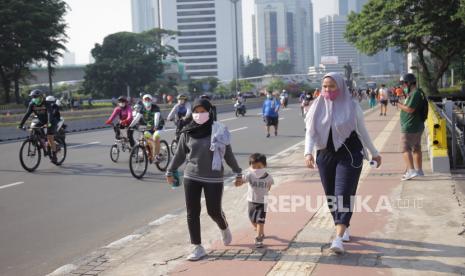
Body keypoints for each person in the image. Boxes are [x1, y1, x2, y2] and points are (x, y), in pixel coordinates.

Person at [304, 72, 382, 254]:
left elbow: (362, 132)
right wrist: (308, 153)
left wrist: (374, 153)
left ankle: (338, 238)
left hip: (350, 154)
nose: (327, 90)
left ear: (340, 87)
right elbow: (310, 132)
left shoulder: (352, 106)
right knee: (331, 195)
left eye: (332, 86)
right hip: (325, 155)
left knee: (343, 194)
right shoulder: (315, 106)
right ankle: (343, 225)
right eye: (324, 86)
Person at [165, 98, 242, 261]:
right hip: (191, 175)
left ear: (210, 112)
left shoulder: (219, 130)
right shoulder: (187, 131)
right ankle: (197, 247)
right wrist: (170, 170)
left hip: (213, 177)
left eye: (203, 111)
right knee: (192, 212)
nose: (199, 115)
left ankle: (224, 226)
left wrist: (238, 172)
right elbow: (179, 154)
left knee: (213, 211)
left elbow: (228, 154)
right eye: (196, 112)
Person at [235, 153, 273, 248]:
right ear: (250, 166)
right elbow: (241, 182)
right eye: (254, 167)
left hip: (263, 201)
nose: (257, 169)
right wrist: (237, 182)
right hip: (251, 200)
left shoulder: (268, 177)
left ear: (265, 166)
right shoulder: (250, 175)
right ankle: (260, 231)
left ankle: (259, 238)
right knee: (252, 219)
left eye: (259, 167)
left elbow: (269, 185)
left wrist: (266, 191)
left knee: (260, 220)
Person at [397, 73, 426, 180]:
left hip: (410, 126)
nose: (403, 86)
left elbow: (410, 109)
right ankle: (419, 171)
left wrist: (398, 104)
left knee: (405, 148)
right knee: (416, 148)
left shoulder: (415, 94)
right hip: (416, 125)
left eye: (403, 83)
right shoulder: (416, 93)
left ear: (409, 83)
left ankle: (411, 171)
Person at [18, 90, 60, 163]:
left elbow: (50, 113)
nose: (34, 98)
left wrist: (49, 123)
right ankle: (40, 141)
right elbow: (27, 114)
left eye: (36, 97)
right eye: (33, 97)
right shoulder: (32, 104)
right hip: (41, 121)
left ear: (41, 97)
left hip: (51, 121)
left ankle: (54, 156)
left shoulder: (46, 103)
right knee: (33, 128)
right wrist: (20, 124)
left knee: (50, 138)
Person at [140, 94, 165, 162]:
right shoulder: (142, 108)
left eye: (148, 99)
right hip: (149, 126)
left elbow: (156, 117)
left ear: (151, 101)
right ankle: (148, 151)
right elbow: (137, 117)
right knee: (144, 136)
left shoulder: (155, 107)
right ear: (143, 101)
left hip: (159, 125)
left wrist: (156, 126)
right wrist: (130, 125)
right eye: (145, 99)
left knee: (155, 136)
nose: (147, 101)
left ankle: (157, 155)